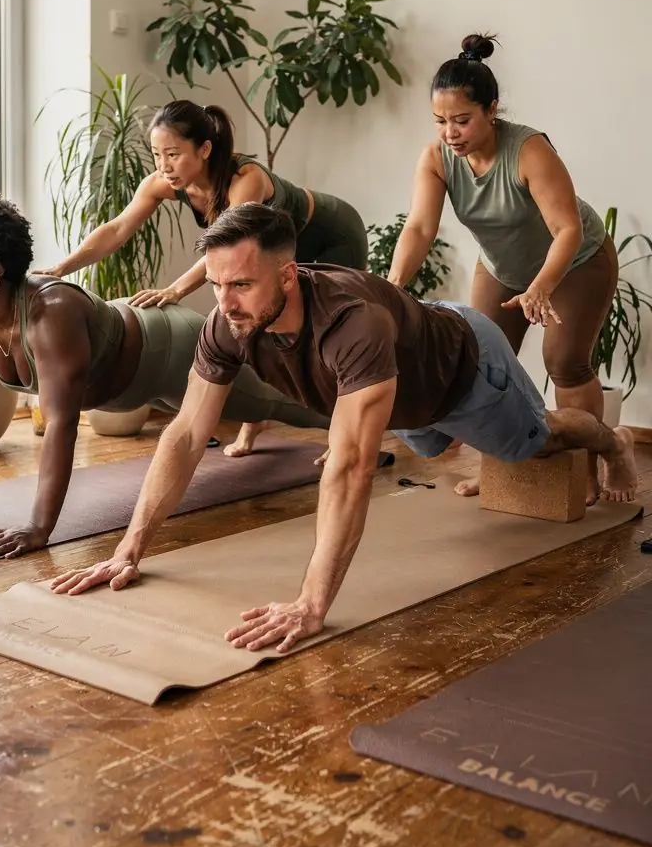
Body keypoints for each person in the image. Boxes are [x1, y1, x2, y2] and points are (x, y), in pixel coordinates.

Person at [50, 204, 637, 652]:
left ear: (287, 275)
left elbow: (353, 465)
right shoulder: (227, 323)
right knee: (428, 444)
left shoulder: (352, 323)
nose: (225, 303)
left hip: (463, 372)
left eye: (242, 285)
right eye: (218, 284)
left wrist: (312, 603)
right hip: (404, 393)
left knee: (537, 446)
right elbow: (184, 434)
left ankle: (615, 441)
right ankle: (474, 446)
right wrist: (128, 551)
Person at [0, 190, 328, 558]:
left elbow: (63, 424)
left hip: (171, 351)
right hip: (127, 384)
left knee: (292, 403)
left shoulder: (51, 315)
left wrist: (39, 528)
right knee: (248, 409)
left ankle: (374, 416)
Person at [388, 33, 617, 503]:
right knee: (477, 363)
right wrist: (391, 285)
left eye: (462, 120)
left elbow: (567, 230)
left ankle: (590, 468)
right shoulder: (437, 159)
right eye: (440, 121)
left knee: (564, 363)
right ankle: (497, 467)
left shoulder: (528, 150)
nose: (450, 132)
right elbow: (419, 229)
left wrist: (540, 288)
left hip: (576, 262)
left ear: (492, 110)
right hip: (499, 266)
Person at [42, 100, 368, 305]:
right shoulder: (163, 182)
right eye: (157, 155)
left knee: (328, 320)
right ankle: (263, 416)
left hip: (331, 233)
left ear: (205, 150)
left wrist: (175, 290)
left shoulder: (245, 180)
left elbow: (226, 244)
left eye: (173, 155)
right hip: (283, 246)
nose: (163, 166)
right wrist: (62, 268)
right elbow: (117, 229)